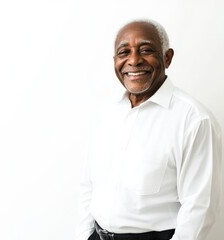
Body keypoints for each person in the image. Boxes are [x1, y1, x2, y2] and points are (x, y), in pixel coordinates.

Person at [75, 19, 222, 240]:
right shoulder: (105, 114)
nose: (133, 61)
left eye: (146, 50)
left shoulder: (193, 120)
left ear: (167, 57)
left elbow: (199, 210)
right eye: (124, 52)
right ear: (115, 61)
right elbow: (89, 186)